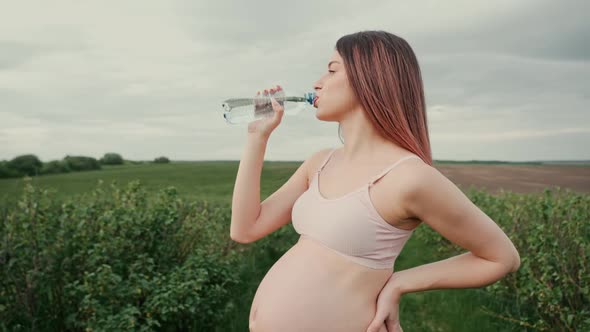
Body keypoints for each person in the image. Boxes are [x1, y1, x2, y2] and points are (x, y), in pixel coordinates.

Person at [229, 30, 521, 332]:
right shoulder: (320, 162)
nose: (318, 83)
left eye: (332, 70)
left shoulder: (408, 178)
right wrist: (256, 138)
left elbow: (501, 258)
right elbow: (245, 229)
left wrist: (400, 282)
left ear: (371, 78)